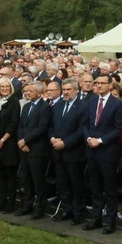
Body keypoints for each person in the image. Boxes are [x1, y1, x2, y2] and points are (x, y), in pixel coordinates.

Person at [82, 74, 122, 235]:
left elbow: (118, 128)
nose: (99, 85)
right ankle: (96, 218)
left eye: (103, 83)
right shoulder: (91, 101)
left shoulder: (118, 105)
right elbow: (85, 123)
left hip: (107, 151)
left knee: (109, 188)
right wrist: (88, 137)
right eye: (97, 83)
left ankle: (110, 221)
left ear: (110, 85)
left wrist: (100, 140)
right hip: (91, 149)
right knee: (94, 187)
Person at [49, 78, 86, 225]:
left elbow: (81, 130)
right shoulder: (57, 106)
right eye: (64, 89)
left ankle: (78, 212)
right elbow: (50, 126)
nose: (66, 92)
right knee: (62, 184)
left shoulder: (82, 106)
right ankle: (66, 209)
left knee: (76, 184)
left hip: (74, 152)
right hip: (58, 152)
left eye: (69, 89)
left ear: (76, 90)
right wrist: (52, 139)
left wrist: (65, 143)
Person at [15, 81, 52, 219]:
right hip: (24, 148)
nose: (27, 93)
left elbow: (42, 128)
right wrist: (21, 141)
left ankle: (40, 208)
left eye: (30, 91)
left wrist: (26, 140)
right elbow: (20, 126)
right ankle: (27, 205)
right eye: (26, 91)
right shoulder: (26, 106)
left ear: (39, 92)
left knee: (38, 181)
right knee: (26, 179)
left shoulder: (45, 107)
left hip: (37, 149)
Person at [0, 77, 20, 213]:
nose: (5, 89)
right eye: (2, 87)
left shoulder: (14, 102)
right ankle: (1, 201)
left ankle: (10, 204)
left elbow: (14, 123)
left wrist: (2, 140)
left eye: (7, 86)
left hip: (9, 143)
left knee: (10, 176)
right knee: (0, 175)